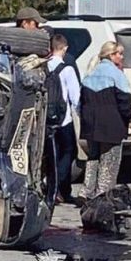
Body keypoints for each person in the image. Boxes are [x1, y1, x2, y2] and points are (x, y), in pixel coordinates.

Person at [77, 41, 131, 202]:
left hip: (91, 124)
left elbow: (80, 102)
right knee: (109, 161)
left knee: (93, 158)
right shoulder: (116, 74)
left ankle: (86, 192)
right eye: (119, 53)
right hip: (111, 124)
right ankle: (103, 195)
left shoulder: (91, 73)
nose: (121, 57)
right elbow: (124, 101)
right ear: (111, 55)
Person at [47, 34, 81, 204]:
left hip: (46, 119)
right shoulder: (67, 69)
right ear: (65, 48)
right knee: (69, 151)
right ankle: (59, 188)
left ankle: (54, 189)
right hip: (64, 119)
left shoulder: (43, 67)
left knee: (51, 154)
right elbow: (76, 98)